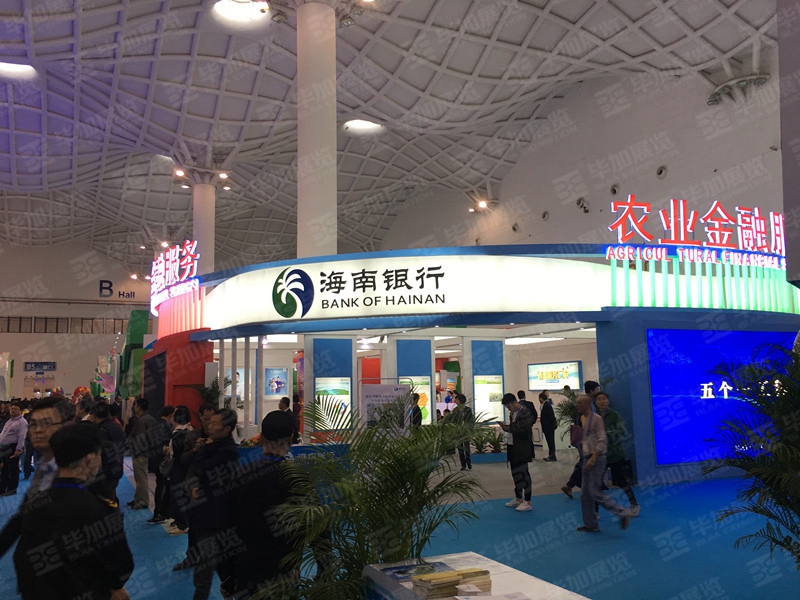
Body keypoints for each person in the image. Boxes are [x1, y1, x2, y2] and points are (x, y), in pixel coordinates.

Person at [13, 422, 134, 600]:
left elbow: (22, 559)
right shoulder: (99, 509)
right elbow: (121, 564)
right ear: (90, 459)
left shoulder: (35, 503)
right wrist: (114, 587)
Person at [228, 410, 304, 597]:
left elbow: (226, 526)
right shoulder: (297, 479)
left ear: (261, 438)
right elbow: (311, 528)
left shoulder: (240, 475)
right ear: (291, 439)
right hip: (285, 572)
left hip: (247, 571)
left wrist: (228, 576)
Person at [0, 395, 74, 558]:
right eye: (34, 424)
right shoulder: (44, 467)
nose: (38, 430)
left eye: (46, 423)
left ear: (66, 425)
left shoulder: (78, 470)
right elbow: (22, 517)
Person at [186, 408, 240, 600]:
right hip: (207, 513)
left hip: (218, 517)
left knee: (208, 565)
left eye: (214, 423)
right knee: (209, 564)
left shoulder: (228, 451)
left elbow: (201, 469)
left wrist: (202, 449)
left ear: (227, 428)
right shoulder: (214, 446)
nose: (209, 426)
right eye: (209, 422)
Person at [574, 393, 632, 532]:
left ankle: (622, 513)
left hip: (596, 459)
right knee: (585, 494)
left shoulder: (597, 419)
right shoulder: (584, 419)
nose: (577, 405)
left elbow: (602, 439)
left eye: (580, 403)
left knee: (594, 491)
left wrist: (593, 458)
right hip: (587, 458)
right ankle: (591, 524)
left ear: (587, 404)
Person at [595, 391, 640, 516]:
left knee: (621, 482)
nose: (602, 401)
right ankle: (595, 512)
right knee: (596, 483)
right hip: (600, 454)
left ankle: (634, 505)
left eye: (604, 399)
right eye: (599, 399)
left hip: (615, 454)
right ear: (596, 402)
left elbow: (622, 430)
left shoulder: (614, 415)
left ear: (607, 401)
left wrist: (606, 434)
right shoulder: (595, 417)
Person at [562, 380, 602, 499]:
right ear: (592, 390)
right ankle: (575, 485)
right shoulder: (587, 403)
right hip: (585, 439)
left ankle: (572, 485)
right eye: (597, 389)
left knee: (584, 461)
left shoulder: (589, 402)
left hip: (585, 438)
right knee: (585, 461)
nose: (598, 391)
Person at [497, 393, 534, 512]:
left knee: (524, 474)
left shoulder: (525, 412)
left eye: (509, 406)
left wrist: (506, 427)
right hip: (513, 446)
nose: (508, 409)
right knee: (515, 473)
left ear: (514, 402)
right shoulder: (513, 413)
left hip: (522, 448)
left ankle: (527, 501)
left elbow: (520, 429)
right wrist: (507, 427)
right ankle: (518, 498)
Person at [88, 400, 126, 506]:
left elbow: (100, 453)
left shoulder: (102, 430)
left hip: (105, 472)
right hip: (117, 468)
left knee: (104, 502)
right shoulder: (115, 427)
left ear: (94, 415)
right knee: (111, 497)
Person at [127, 396, 161, 510]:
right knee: (140, 477)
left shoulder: (142, 420)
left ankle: (142, 501)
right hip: (145, 452)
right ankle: (138, 498)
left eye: (136, 405)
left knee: (141, 478)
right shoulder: (150, 419)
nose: (134, 408)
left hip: (140, 453)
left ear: (139, 407)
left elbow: (139, 438)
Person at [149, 405, 176, 524]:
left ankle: (159, 513)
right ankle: (162, 513)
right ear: (171, 415)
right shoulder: (169, 427)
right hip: (165, 462)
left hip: (155, 460)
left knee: (160, 486)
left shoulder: (155, 425)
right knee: (164, 487)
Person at [0, 400, 29, 496]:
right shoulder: (10, 420)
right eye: (12, 408)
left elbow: (22, 437)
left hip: (13, 447)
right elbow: (3, 433)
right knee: (5, 469)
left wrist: (18, 449)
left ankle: (11, 489)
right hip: (4, 447)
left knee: (12, 469)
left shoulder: (22, 422)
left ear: (20, 411)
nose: (13, 410)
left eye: (16, 409)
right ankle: (2, 488)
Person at [447, 393, 473, 470]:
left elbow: (470, 421)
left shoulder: (468, 410)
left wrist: (470, 429)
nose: (455, 401)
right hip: (458, 432)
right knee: (460, 448)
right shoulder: (455, 410)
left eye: (457, 399)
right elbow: (452, 420)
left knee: (467, 448)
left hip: (466, 431)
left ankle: (468, 462)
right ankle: (463, 465)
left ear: (460, 400)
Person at [517, 390, 538, 459]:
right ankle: (531, 455)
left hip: (519, 426)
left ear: (518, 397)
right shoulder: (530, 404)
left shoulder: (517, 405)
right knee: (529, 440)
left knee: (521, 441)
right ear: (525, 396)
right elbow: (535, 414)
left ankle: (523, 455)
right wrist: (532, 422)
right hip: (528, 425)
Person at [539, 391, 557, 461]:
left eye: (539, 398)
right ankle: (551, 455)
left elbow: (551, 416)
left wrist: (553, 425)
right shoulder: (545, 405)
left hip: (549, 427)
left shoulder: (547, 405)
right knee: (549, 442)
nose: (539, 400)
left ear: (541, 398)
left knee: (551, 442)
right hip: (547, 427)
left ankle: (552, 456)